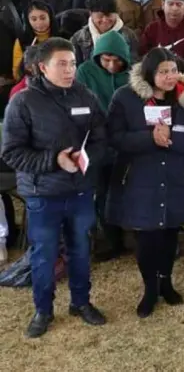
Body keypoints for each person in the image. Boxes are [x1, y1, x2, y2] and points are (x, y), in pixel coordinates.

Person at [1, 37, 108, 338]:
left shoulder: (85, 95)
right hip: (43, 193)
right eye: (61, 64)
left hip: (80, 189)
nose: (69, 70)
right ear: (41, 67)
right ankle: (43, 310)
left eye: (72, 63)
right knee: (45, 254)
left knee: (81, 249)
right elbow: (11, 152)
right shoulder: (23, 102)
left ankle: (81, 302)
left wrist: (87, 159)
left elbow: (102, 139)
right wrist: (54, 161)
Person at [106, 47, 184, 318]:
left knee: (170, 232)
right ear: (150, 73)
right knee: (147, 237)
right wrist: (148, 138)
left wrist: (171, 138)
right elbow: (115, 137)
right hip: (141, 178)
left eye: (173, 70)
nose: (170, 76)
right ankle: (150, 288)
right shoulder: (126, 98)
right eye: (163, 72)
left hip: (175, 175)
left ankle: (166, 281)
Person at [75, 30, 132, 261]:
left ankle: (127, 234)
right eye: (106, 59)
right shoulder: (85, 72)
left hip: (123, 142)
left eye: (116, 60)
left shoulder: (130, 75)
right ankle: (110, 239)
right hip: (96, 142)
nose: (110, 65)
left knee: (123, 189)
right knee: (101, 192)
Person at [71, 0, 139, 65]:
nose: (105, 20)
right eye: (100, 16)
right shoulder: (79, 38)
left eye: (109, 15)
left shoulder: (128, 35)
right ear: (91, 14)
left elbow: (133, 64)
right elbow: (75, 66)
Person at [12, 1, 53, 81]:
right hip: (32, 81)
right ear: (28, 21)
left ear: (50, 17)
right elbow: (16, 74)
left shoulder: (63, 37)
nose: (39, 23)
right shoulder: (21, 41)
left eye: (43, 18)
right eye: (34, 19)